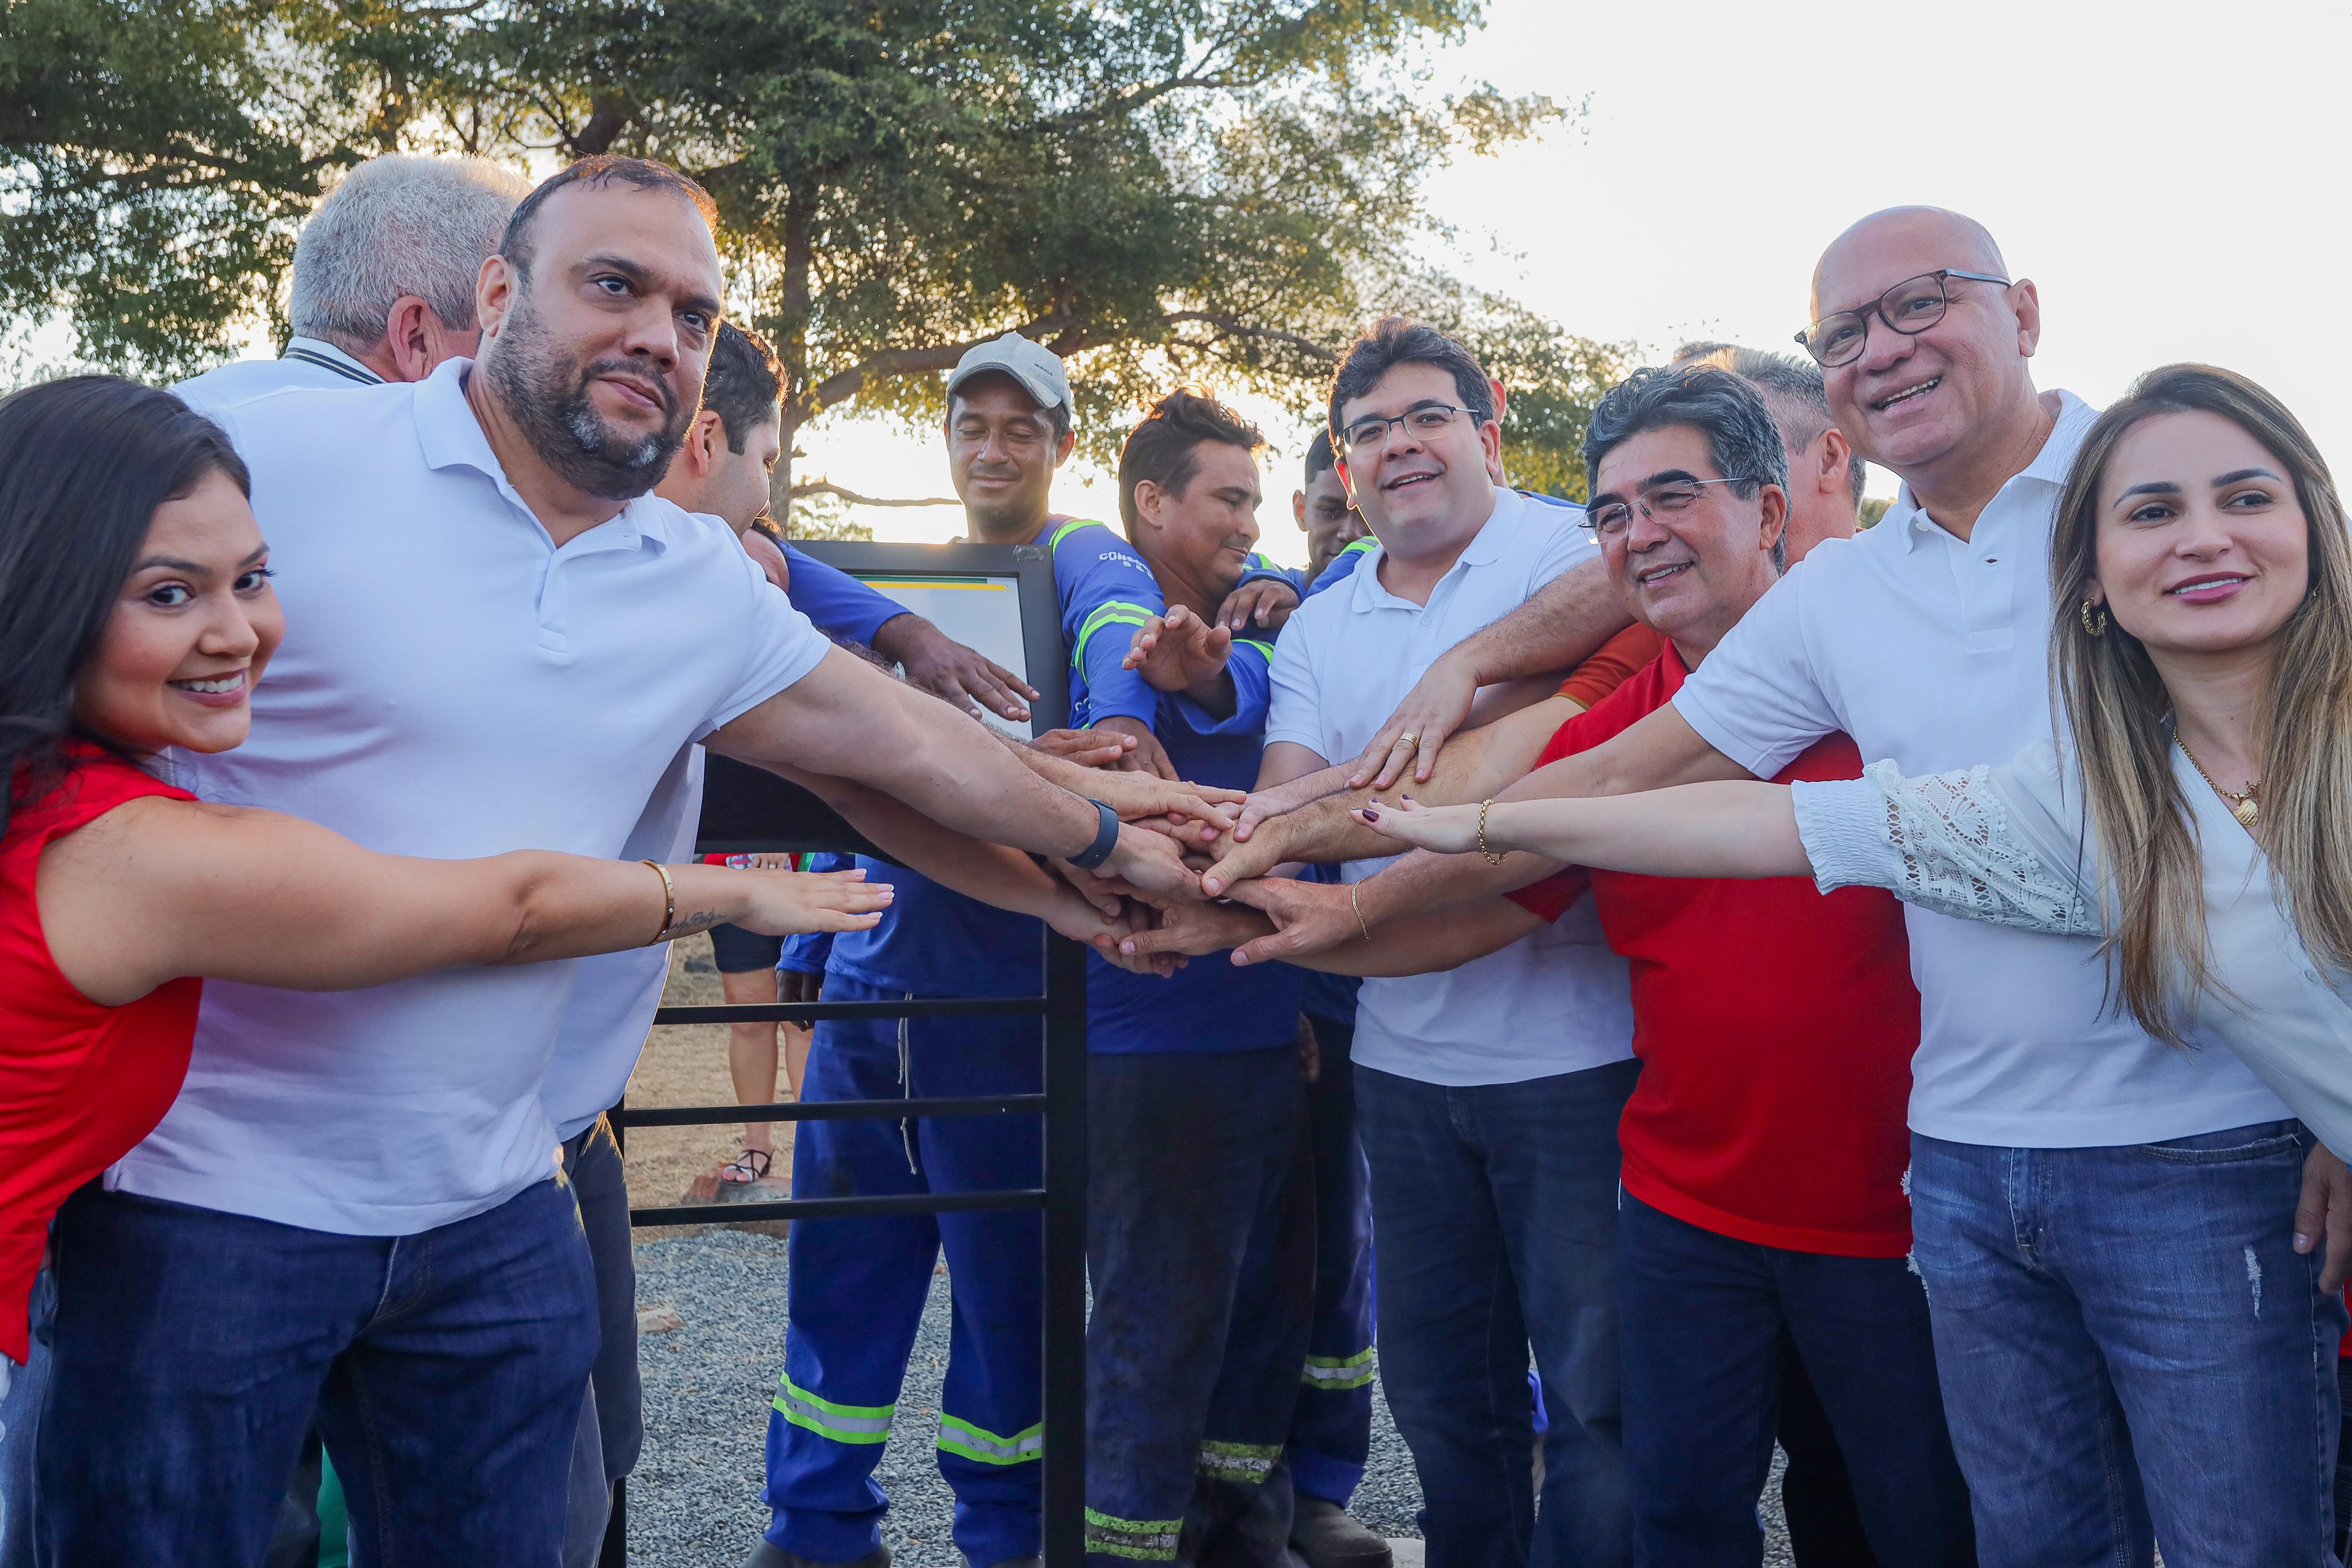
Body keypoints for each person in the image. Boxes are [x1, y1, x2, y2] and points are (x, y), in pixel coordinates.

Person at [35, 155, 1205, 1568]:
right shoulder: (262, 459)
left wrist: (1107, 851)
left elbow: (892, 746)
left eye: (696, 314)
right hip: (195, 1210)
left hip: (497, 1208)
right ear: (492, 294)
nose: (660, 333)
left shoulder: (691, 577)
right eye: (614, 285)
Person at [1222, 211, 2343, 1567]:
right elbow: (1658, 786)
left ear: (2025, 311)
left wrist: (2331, 1104)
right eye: (1845, 333)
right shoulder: (1853, 602)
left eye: (1923, 304)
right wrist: (1379, 837)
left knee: (2240, 1536)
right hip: (1963, 1168)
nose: (1886, 349)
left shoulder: (2136, 493)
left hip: (2201, 1152)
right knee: (2021, 1539)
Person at [0, 374, 889, 1562]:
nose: (235, 631)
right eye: (170, 593)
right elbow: (510, 909)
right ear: (49, 593)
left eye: (254, 579)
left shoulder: (55, 790)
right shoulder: (128, 854)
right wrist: (727, 888)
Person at [1154, 365, 1977, 1565]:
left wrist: (1307, 862)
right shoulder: (1625, 712)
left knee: (1899, 1520)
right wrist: (1283, 916)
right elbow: (1498, 887)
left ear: (1768, 510)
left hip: (1887, 1217)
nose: (1642, 536)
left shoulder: (1887, 661)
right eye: (1615, 515)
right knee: (1680, 1517)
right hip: (1688, 1211)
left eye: (1673, 498)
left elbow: (1501, 804)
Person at [749, 333, 1186, 1568]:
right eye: (971, 426)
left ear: (1058, 442)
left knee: (1011, 1296)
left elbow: (1119, 626)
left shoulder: (1076, 553)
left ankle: (1005, 1537)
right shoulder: (906, 584)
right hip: (869, 997)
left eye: (1021, 428)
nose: (993, 449)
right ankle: (816, 1529)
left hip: (1006, 1001)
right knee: (840, 1279)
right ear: (944, 440)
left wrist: (1111, 723)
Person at [1237, 319, 1640, 1568]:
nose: (1397, 447)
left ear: (1488, 422)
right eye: (1368, 431)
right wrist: (1186, 845)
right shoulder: (1323, 617)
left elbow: (1626, 585)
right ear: (1343, 464)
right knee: (1442, 1398)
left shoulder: (1563, 548)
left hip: (1576, 1058)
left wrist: (1470, 671)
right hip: (1404, 1068)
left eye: (1423, 418)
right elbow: (1286, 799)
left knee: (1597, 1395)